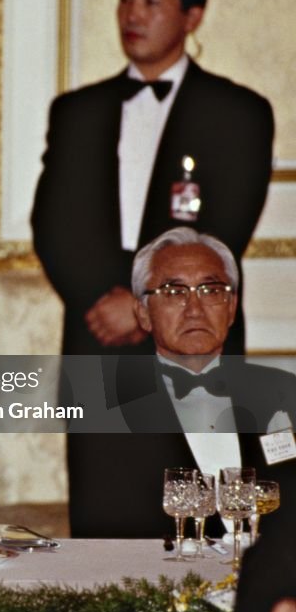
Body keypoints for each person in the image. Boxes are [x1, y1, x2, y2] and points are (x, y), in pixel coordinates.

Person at [31, 0, 273, 358]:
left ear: (191, 17)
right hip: (98, 334)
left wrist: (144, 302)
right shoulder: (76, 112)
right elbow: (53, 225)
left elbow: (226, 228)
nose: (132, 14)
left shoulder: (239, 113)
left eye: (150, 0)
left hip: (194, 337)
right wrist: (101, 304)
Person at [66, 228, 296, 538]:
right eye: (174, 292)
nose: (194, 309)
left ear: (231, 308)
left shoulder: (281, 391)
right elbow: (105, 535)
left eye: (211, 290)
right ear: (143, 313)